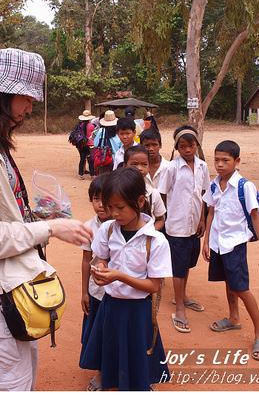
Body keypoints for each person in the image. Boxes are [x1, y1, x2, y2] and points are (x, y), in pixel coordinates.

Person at [0, 48, 92, 391]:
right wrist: (51, 228)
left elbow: (1, 211)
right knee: (8, 382)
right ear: (1, 95)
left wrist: (37, 212)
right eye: (25, 99)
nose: (29, 108)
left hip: (12, 281)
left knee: (22, 375)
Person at [80, 167, 171, 390]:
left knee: (137, 351)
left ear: (140, 202)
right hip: (111, 305)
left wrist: (119, 275)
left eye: (120, 207)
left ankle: (142, 384)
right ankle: (108, 378)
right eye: (110, 207)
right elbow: (101, 257)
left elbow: (153, 285)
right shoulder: (109, 230)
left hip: (138, 309)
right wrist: (100, 270)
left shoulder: (156, 241)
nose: (114, 213)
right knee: (111, 348)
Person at [201, 139, 259, 361]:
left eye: (225, 160)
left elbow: (255, 217)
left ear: (237, 161)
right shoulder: (214, 184)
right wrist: (206, 240)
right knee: (228, 282)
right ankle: (233, 318)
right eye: (217, 160)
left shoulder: (244, 186)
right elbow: (211, 212)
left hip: (235, 244)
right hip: (218, 243)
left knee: (241, 288)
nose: (220, 165)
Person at [157, 126, 210, 333]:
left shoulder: (203, 167)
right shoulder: (171, 168)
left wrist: (203, 219)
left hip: (194, 225)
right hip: (176, 226)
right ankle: (179, 307)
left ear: (197, 145)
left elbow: (204, 194)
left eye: (191, 145)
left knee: (187, 263)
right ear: (177, 148)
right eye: (183, 146)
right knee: (178, 268)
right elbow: (162, 194)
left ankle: (184, 297)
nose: (188, 149)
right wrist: (164, 218)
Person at [79, 174, 110, 391]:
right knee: (99, 334)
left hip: (120, 293)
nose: (100, 205)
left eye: (105, 199)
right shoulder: (88, 227)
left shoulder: (123, 225)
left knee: (118, 333)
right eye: (95, 199)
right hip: (97, 292)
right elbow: (85, 261)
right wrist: (84, 292)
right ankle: (101, 372)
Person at [124, 146, 166, 231]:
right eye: (134, 164)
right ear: (125, 165)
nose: (139, 168)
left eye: (144, 164)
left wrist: (150, 232)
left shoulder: (153, 193)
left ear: (149, 167)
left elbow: (160, 219)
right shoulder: (118, 191)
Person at [93, 110, 120, 176]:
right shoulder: (119, 131)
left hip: (104, 158)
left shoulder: (101, 131)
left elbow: (95, 144)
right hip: (117, 159)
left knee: (103, 180)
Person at [75, 110, 97, 180]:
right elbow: (94, 135)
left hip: (81, 144)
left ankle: (81, 174)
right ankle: (92, 175)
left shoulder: (80, 125)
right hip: (90, 145)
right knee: (90, 160)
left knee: (82, 159)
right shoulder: (92, 126)